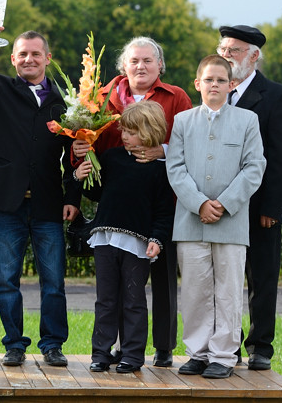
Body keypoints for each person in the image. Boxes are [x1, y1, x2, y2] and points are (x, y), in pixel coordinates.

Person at [0, 21, 81, 368]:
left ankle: (53, 344)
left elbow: (75, 153)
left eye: (35, 54)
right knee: (6, 281)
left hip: (48, 204)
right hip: (7, 204)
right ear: (13, 58)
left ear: (47, 58)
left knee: (54, 282)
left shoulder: (65, 103)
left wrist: (72, 196)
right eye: (23, 54)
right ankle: (14, 343)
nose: (29, 59)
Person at [72, 36, 192, 367]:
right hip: (117, 204)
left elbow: (190, 142)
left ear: (159, 66)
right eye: (134, 61)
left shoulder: (176, 97)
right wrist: (81, 155)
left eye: (147, 61)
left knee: (158, 281)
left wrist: (162, 152)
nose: (140, 66)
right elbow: (89, 138)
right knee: (117, 292)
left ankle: (163, 347)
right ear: (124, 66)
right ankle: (118, 350)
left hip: (159, 199)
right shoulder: (102, 96)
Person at [167, 55, 266, 379]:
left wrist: (223, 203)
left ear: (232, 85)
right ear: (197, 84)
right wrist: (199, 203)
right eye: (208, 80)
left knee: (228, 290)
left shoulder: (247, 121)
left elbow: (254, 167)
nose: (214, 85)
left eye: (221, 80)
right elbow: (176, 168)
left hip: (231, 223)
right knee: (195, 291)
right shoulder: (182, 121)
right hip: (190, 221)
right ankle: (197, 352)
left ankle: (223, 355)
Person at [217, 25, 282, 370]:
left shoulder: (276, 95)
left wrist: (272, 208)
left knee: (261, 278)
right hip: (219, 205)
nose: (227, 56)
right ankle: (226, 346)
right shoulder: (214, 92)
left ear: (254, 56)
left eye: (234, 50)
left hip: (258, 206)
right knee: (224, 278)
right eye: (223, 49)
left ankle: (260, 346)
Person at [76, 101, 174, 373]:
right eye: (124, 130)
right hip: (105, 239)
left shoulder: (160, 169)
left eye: (131, 131)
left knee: (133, 299)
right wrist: (83, 174)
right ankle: (100, 352)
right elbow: (95, 193)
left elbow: (165, 212)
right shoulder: (111, 158)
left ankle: (132, 355)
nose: (125, 136)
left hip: (137, 245)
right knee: (105, 299)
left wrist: (157, 239)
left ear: (149, 130)